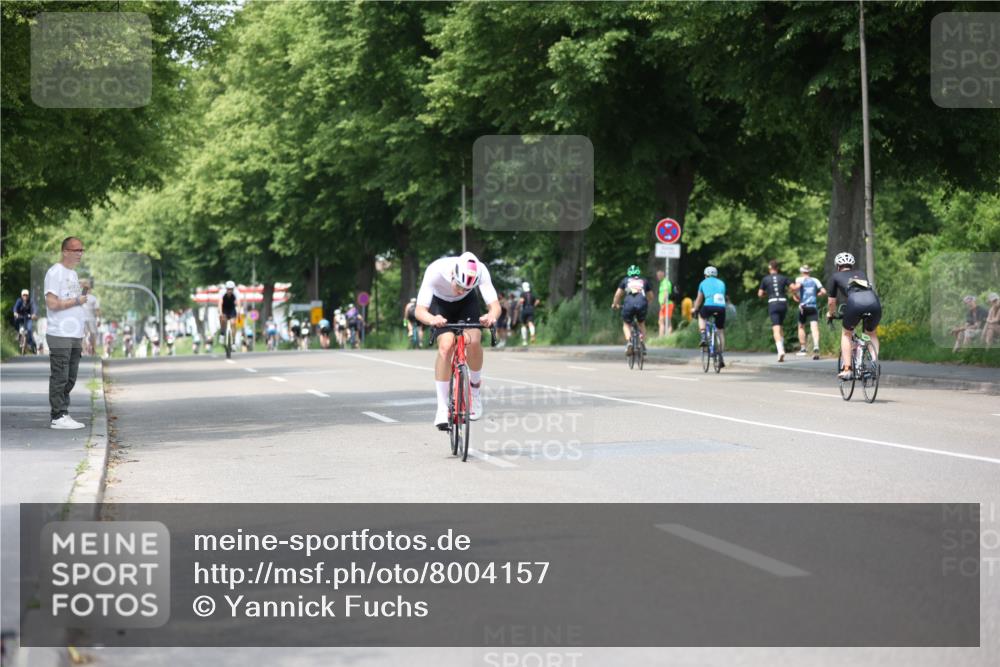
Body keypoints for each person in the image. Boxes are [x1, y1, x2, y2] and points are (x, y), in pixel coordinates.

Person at [415, 251, 501, 429]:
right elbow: (419, 310)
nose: (461, 290)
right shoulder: (435, 271)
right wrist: (432, 319)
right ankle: (442, 407)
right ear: (453, 274)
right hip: (440, 305)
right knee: (446, 346)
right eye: (459, 286)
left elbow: (495, 307)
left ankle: (474, 390)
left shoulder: (480, 271)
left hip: (466, 304)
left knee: (474, 340)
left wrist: (491, 316)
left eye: (467, 288)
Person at [44, 237, 89, 429]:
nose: (80, 253)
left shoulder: (73, 274)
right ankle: (58, 415)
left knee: (70, 377)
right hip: (59, 333)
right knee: (60, 376)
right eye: (76, 250)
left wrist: (84, 292)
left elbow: (76, 300)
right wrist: (77, 300)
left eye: (81, 250)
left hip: (74, 334)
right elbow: (52, 303)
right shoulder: (55, 272)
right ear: (65, 251)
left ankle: (63, 413)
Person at [826, 252, 882, 380]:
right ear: (852, 265)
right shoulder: (861, 273)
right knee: (871, 333)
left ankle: (847, 369)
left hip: (855, 303)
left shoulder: (835, 276)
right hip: (874, 302)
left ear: (838, 266)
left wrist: (831, 313)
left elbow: (831, 302)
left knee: (846, 334)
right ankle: (874, 364)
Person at [611, 265, 654, 357]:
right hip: (642, 304)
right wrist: (646, 303)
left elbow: (617, 295)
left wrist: (615, 304)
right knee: (641, 323)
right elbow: (651, 296)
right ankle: (641, 341)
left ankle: (629, 342)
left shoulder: (625, 280)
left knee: (626, 324)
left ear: (628, 273)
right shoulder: (644, 281)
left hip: (628, 305)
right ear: (638, 273)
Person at [693, 266, 728, 368]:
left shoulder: (703, 283)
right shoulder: (722, 283)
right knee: (720, 331)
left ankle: (703, 336)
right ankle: (720, 356)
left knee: (701, 316)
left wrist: (695, 309)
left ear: (705, 275)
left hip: (708, 306)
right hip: (721, 308)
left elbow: (699, 299)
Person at [758, 260, 792, 362]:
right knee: (780, 326)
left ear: (769, 268)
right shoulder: (783, 278)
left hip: (773, 303)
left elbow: (760, 294)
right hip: (783, 303)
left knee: (776, 328)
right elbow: (793, 287)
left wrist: (766, 294)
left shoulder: (765, 279)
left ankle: (780, 350)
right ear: (777, 268)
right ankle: (782, 347)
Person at [790, 265, 826, 360]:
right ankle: (816, 346)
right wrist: (816, 294)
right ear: (809, 271)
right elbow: (823, 291)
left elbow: (796, 289)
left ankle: (803, 348)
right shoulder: (815, 280)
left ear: (802, 272)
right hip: (813, 306)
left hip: (803, 306)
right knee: (814, 327)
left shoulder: (799, 279)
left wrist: (793, 292)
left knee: (801, 326)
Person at [78, 278, 101, 356]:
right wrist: (98, 319)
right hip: (91, 319)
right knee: (93, 334)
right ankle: (93, 351)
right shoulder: (93, 298)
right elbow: (97, 310)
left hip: (82, 319)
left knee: (83, 335)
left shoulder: (79, 297)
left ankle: (83, 351)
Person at [12, 288, 38, 354]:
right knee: (16, 324)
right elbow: (15, 307)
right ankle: (18, 334)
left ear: (28, 295)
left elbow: (34, 308)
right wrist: (15, 312)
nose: (25, 296)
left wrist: (34, 314)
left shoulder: (31, 301)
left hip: (28, 318)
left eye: (26, 295)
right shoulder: (19, 301)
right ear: (21, 295)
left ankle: (31, 344)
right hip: (20, 318)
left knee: (29, 329)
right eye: (24, 295)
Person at [217, 280, 242, 346]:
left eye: (231, 289)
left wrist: (239, 311)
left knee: (233, 323)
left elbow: (238, 302)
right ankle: (222, 334)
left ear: (233, 289)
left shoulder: (236, 292)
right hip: (224, 308)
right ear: (226, 288)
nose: (230, 291)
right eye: (228, 289)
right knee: (223, 319)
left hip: (231, 309)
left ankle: (233, 341)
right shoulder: (222, 292)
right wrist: (220, 313)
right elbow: (220, 303)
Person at [656, 268, 673, 336]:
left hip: (667, 304)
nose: (658, 277)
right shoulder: (662, 283)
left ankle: (668, 337)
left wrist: (663, 303)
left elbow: (666, 293)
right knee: (661, 321)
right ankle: (661, 338)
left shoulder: (665, 282)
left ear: (663, 274)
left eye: (659, 275)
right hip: (663, 305)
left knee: (667, 322)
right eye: (657, 275)